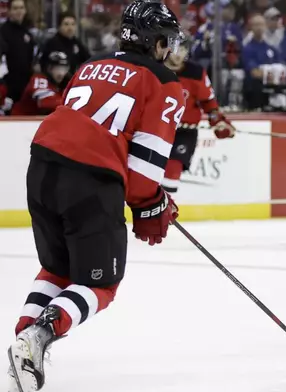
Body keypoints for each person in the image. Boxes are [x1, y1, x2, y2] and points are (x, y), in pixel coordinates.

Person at [7, 2, 185, 391]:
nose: (167, 49)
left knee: (58, 269)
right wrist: (152, 206)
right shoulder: (165, 83)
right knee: (100, 284)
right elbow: (142, 176)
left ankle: (25, 338)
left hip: (41, 166)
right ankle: (37, 337)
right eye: (164, 41)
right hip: (90, 179)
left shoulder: (90, 64)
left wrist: (148, 202)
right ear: (152, 40)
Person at [162, 39, 235, 193]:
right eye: (175, 49)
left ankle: (165, 214)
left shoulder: (196, 72)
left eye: (182, 50)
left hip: (184, 133)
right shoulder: (155, 68)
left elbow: (209, 103)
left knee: (173, 168)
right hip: (157, 129)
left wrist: (218, 123)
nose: (178, 54)